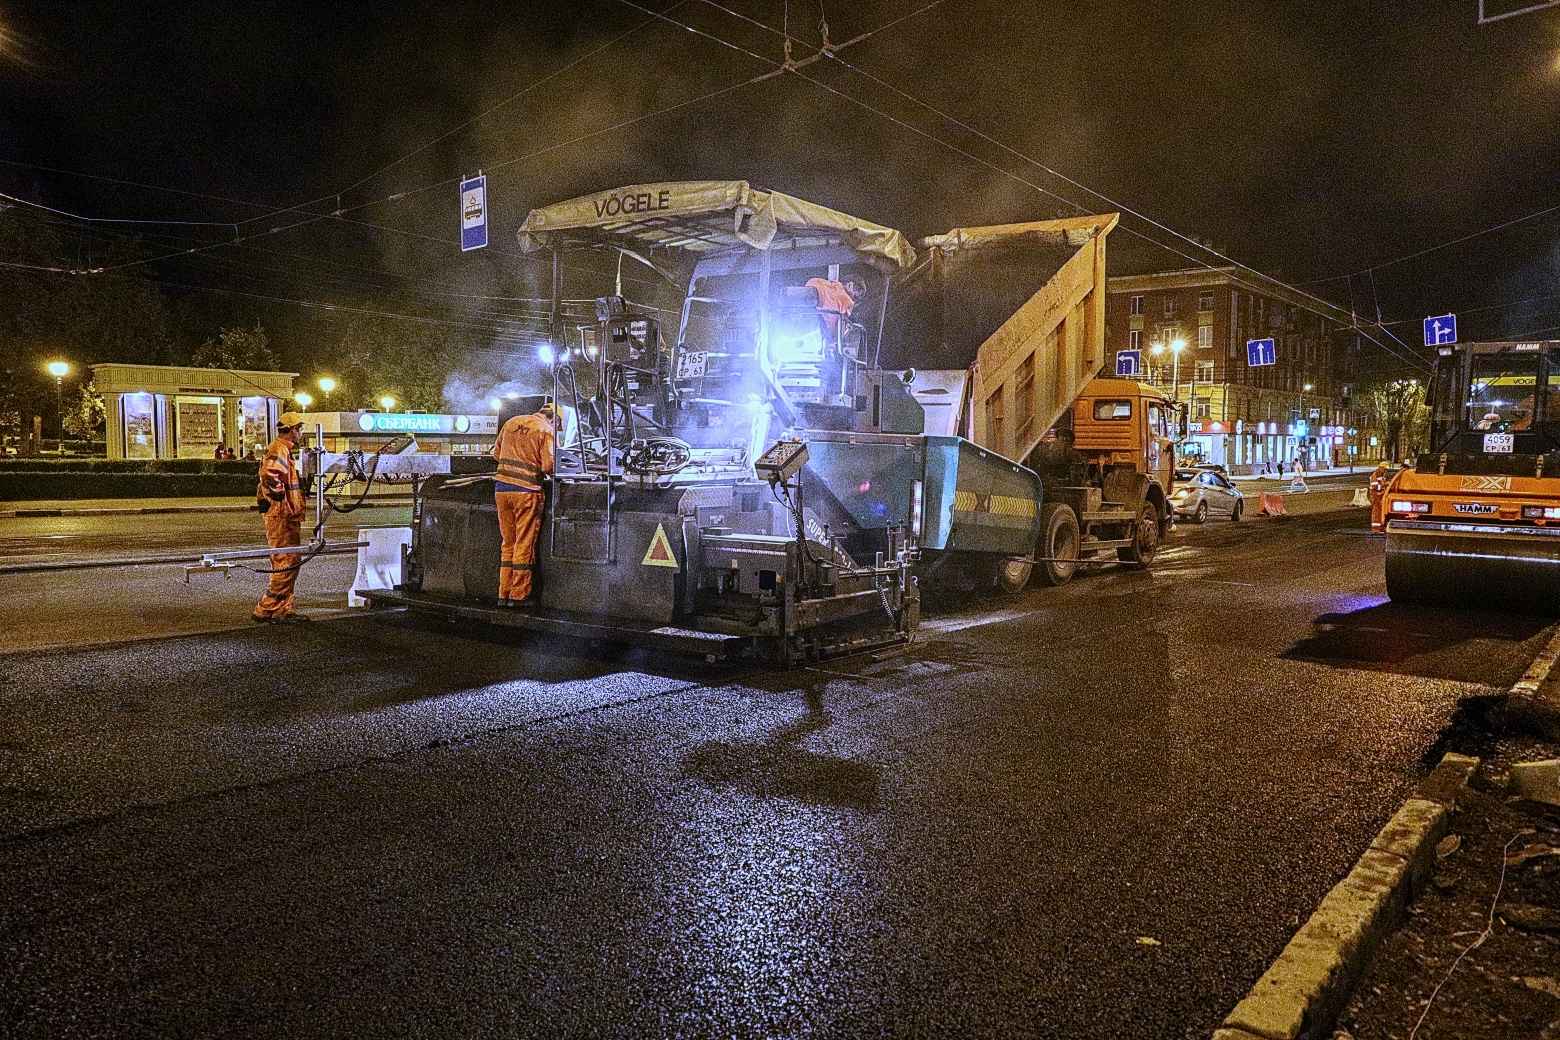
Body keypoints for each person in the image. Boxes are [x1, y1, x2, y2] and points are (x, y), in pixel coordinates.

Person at [492, 402, 556, 607]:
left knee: (507, 543)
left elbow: (495, 454)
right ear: (554, 418)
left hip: (501, 490)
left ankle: (503, 594)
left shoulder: (511, 422)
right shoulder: (545, 430)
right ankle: (519, 596)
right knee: (523, 544)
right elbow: (548, 466)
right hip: (526, 492)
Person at [251, 412, 309, 624]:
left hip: (283, 513)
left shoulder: (282, 449)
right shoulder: (280, 448)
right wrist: (280, 499)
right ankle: (268, 608)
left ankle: (282, 608)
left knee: (288, 561)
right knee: (287, 561)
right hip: (282, 514)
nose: (300, 433)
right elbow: (269, 475)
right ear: (293, 429)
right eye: (299, 429)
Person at [803, 275, 865, 345]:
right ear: (850, 285)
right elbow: (837, 329)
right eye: (855, 296)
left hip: (803, 316)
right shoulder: (847, 302)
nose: (853, 298)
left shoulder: (817, 282)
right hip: (817, 331)